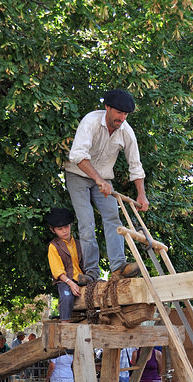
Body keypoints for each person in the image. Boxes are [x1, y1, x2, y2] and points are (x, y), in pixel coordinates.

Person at [65, 89, 149, 283]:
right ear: (107, 108)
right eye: (119, 112)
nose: (122, 118)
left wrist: (141, 195)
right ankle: (91, 273)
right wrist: (98, 180)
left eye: (125, 114)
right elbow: (77, 156)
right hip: (77, 174)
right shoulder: (90, 122)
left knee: (113, 218)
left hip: (103, 179)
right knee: (86, 223)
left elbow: (135, 165)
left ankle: (119, 267)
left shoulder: (127, 131)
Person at [46, 207, 86, 322]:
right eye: (60, 229)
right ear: (53, 230)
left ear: (71, 225)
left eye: (67, 227)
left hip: (81, 278)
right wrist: (71, 283)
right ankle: (65, 324)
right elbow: (57, 271)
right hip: (64, 280)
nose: (65, 231)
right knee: (67, 296)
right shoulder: (53, 246)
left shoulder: (79, 243)